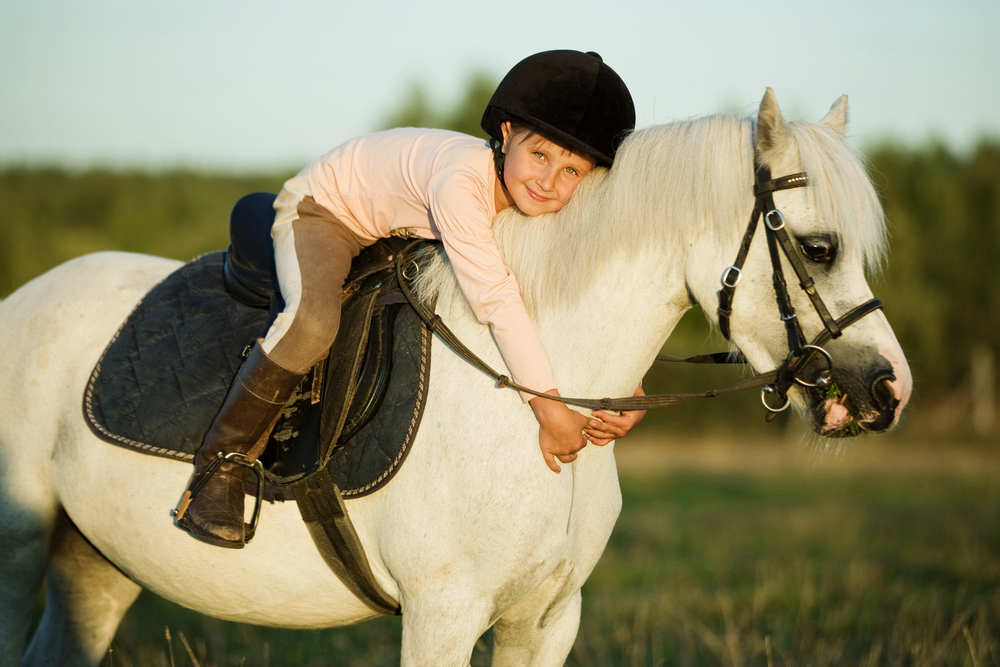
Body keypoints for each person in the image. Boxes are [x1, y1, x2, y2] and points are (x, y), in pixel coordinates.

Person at [177, 50, 646, 549]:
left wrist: (631, 386)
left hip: (396, 227)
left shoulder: (531, 196)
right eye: (540, 155)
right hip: (327, 210)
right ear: (506, 134)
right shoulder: (460, 184)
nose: (549, 182)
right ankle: (220, 465)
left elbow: (564, 290)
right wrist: (551, 411)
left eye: (573, 171)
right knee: (313, 323)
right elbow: (498, 300)